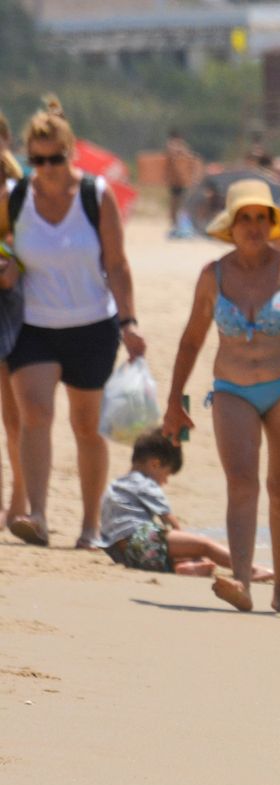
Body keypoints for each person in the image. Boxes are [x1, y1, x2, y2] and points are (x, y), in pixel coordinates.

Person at [161, 179, 280, 614]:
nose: (255, 226)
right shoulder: (213, 275)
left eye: (263, 217)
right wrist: (173, 401)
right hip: (232, 390)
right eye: (246, 218)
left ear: (273, 224)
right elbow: (190, 341)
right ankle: (241, 581)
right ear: (231, 226)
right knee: (241, 482)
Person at [3, 97, 147, 549]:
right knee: (36, 415)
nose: (46, 167)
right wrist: (6, 265)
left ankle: (90, 527)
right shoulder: (15, 197)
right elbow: (3, 247)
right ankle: (39, 515)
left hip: (91, 325)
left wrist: (129, 321)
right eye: (37, 159)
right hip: (35, 325)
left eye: (55, 158)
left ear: (71, 152)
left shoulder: (96, 196)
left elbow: (118, 264)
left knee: (87, 427)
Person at [98, 428, 273, 581]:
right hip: (141, 541)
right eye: (166, 474)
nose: (164, 482)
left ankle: (182, 567)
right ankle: (249, 570)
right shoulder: (144, 483)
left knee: (170, 550)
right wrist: (192, 550)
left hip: (122, 554)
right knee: (205, 545)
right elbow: (170, 522)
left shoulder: (115, 486)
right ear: (155, 464)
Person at [0, 109, 25, 531]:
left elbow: (24, 244)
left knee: (13, 407)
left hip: (8, 299)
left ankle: (20, 494)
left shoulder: (16, 191)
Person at [164, 128, 194, 232]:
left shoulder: (179, 146)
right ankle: (175, 223)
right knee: (176, 202)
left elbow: (188, 156)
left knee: (179, 202)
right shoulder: (172, 145)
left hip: (180, 179)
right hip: (176, 179)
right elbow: (174, 157)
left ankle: (177, 223)